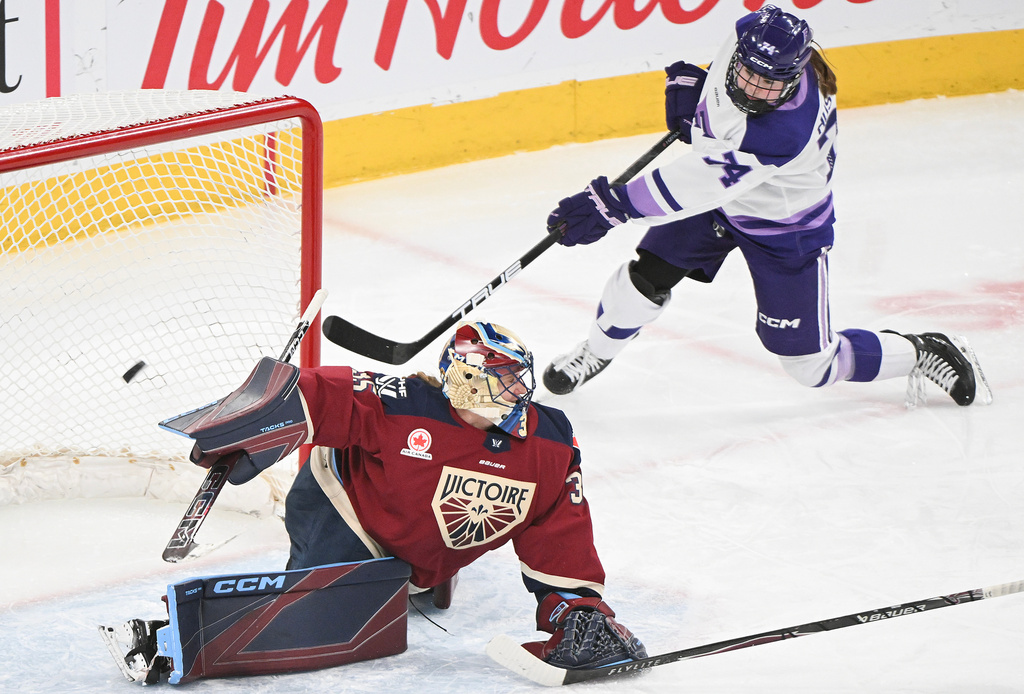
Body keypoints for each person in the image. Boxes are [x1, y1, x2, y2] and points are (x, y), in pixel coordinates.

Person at [103, 321, 646, 684]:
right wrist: (254, 420)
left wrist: (578, 609)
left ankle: (420, 572)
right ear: (463, 381)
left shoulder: (551, 442)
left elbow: (560, 530)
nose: (514, 389)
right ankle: (174, 642)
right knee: (330, 623)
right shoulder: (408, 403)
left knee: (411, 584)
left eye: (515, 377)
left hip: (423, 533)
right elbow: (312, 392)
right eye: (499, 378)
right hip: (346, 508)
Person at [541, 5, 991, 408]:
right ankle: (594, 352)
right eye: (748, 74)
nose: (754, 89)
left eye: (770, 83)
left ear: (794, 76)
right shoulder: (749, 44)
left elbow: (691, 185)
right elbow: (719, 115)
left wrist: (610, 205)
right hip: (724, 203)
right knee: (647, 274)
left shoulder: (779, 134)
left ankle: (920, 350)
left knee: (810, 367)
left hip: (784, 228)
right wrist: (696, 99)